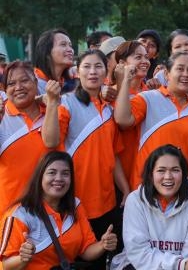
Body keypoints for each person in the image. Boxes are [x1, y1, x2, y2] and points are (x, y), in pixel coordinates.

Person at [43, 50, 128, 268]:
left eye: (98, 66)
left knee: (102, 261)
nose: (92, 72)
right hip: (76, 201)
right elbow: (51, 141)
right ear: (77, 72)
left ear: (106, 71)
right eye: (87, 67)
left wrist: (125, 189)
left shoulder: (109, 107)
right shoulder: (67, 104)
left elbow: (114, 154)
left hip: (107, 201)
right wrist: (52, 103)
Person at [114, 52, 188, 200]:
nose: (186, 74)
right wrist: (126, 81)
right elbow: (122, 120)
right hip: (146, 187)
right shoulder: (148, 98)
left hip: (179, 187)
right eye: (180, 69)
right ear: (166, 74)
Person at [0, 151, 118, 269]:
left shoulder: (75, 206)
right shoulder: (19, 214)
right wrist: (23, 258)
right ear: (40, 176)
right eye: (52, 172)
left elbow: (86, 251)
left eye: (65, 174)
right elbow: (6, 266)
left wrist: (103, 245)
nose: (59, 178)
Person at [110, 145, 188, 270]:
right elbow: (139, 253)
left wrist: (183, 265)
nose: (168, 176)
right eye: (161, 170)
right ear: (151, 175)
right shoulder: (135, 200)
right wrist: (179, 264)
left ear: (183, 174)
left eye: (175, 170)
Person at [0, 62, 60, 213]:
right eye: (11, 83)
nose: (18, 87)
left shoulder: (52, 110)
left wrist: (51, 102)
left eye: (24, 80)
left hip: (51, 209)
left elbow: (52, 142)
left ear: (35, 82)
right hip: (12, 212)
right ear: (5, 90)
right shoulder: (2, 117)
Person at [113, 41, 151, 188]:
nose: (145, 61)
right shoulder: (109, 94)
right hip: (118, 172)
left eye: (146, 57)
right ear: (122, 63)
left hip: (145, 172)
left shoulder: (153, 93)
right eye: (138, 57)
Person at [33, 28, 75, 94]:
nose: (70, 50)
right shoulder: (34, 83)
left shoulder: (70, 81)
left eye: (70, 45)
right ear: (47, 52)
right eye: (63, 44)